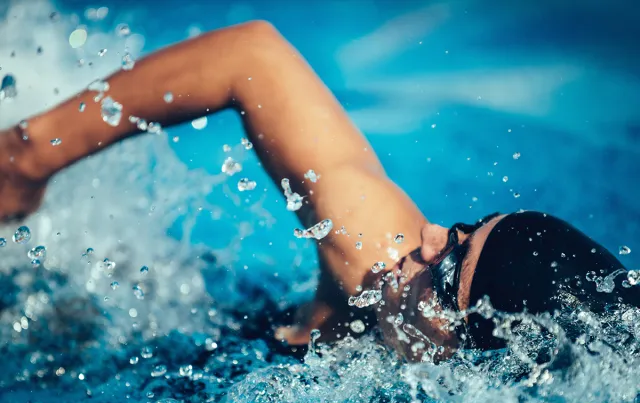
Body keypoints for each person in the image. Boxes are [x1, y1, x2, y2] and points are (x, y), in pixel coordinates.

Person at [0, 21, 637, 362]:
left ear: (464, 347)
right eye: (464, 228)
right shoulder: (378, 255)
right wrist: (30, 154)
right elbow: (254, 56)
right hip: (213, 336)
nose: (431, 238)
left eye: (448, 271)